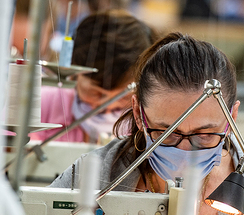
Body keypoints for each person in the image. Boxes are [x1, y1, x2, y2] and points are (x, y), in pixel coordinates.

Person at [48, 33, 244, 215]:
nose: (185, 151)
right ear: (138, 113)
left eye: (205, 134)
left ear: (231, 118)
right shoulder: (96, 174)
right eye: (167, 134)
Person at [31, 10, 157, 144]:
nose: (106, 107)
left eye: (124, 97)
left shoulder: (148, 125)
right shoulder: (40, 104)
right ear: (74, 73)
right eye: (96, 93)